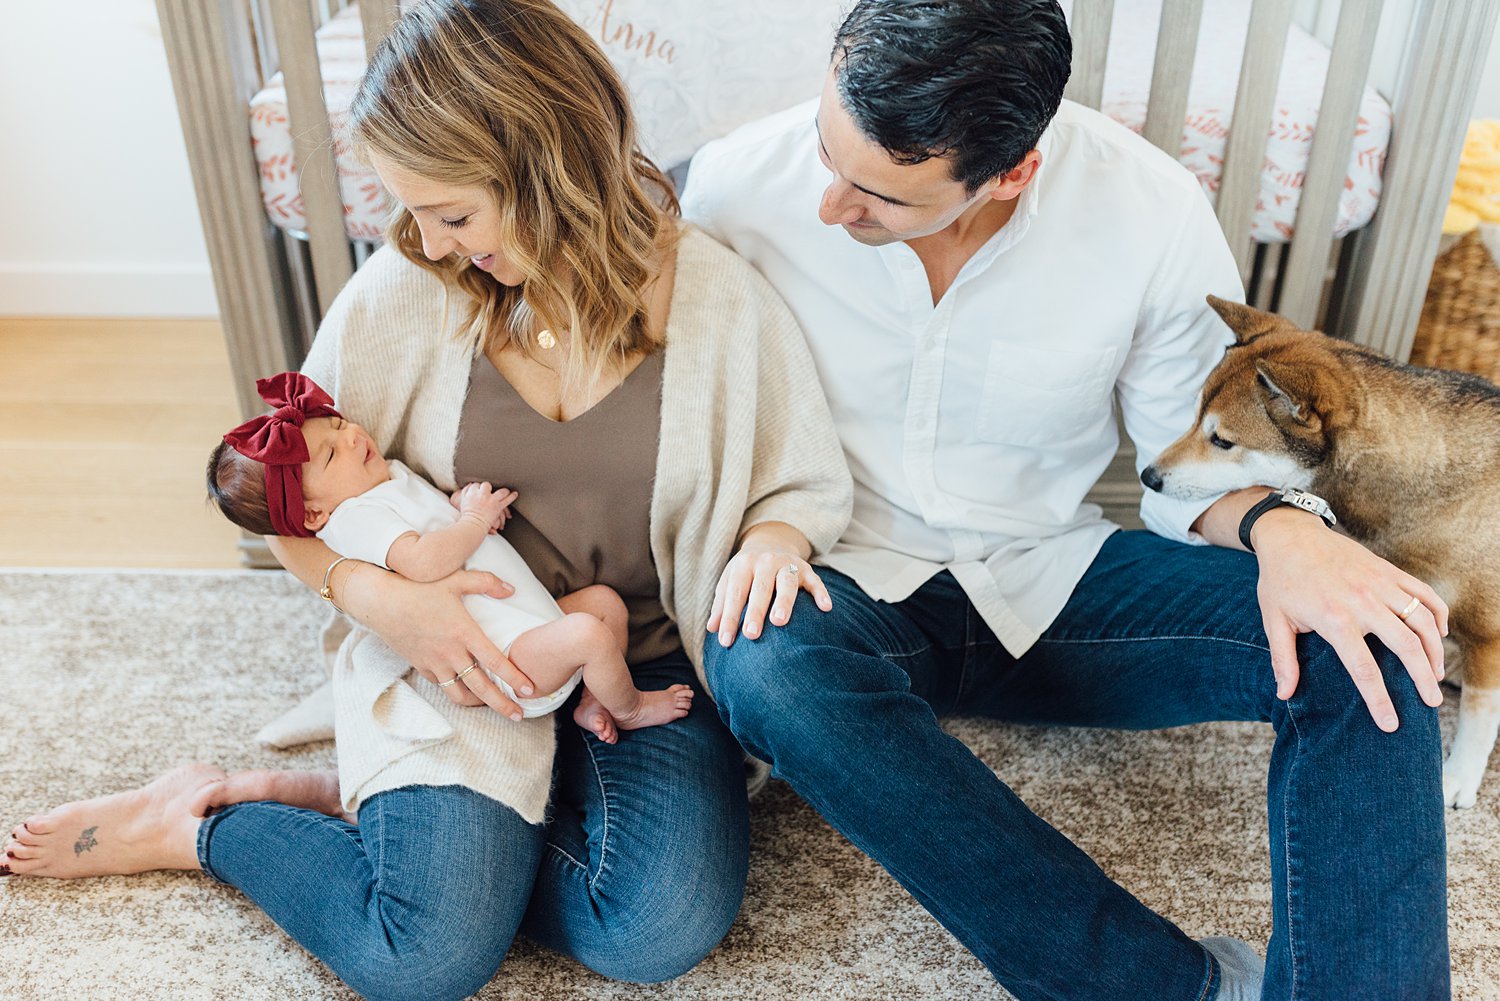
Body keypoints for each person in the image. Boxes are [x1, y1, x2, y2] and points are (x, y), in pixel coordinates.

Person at [1, 2, 851, 999]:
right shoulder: (405, 291)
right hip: (453, 666)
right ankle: (204, 823)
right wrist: (381, 599)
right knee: (430, 958)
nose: (430, 244)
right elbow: (294, 512)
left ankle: (378, 817)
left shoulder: (715, 298)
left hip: (636, 655)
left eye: (453, 213)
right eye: (412, 212)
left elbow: (794, 482)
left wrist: (776, 536)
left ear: (551, 171)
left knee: (652, 928)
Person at [683, 1, 1450, 999]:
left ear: (1011, 172)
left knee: (1375, 639)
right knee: (762, 662)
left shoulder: (1147, 210)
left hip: (1052, 577)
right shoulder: (737, 188)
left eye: (881, 197)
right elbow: (676, 418)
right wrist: (755, 533)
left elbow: (1190, 459)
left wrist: (1285, 530)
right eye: (828, 154)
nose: (832, 205)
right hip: (839, 576)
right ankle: (1165, 987)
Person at [207, 371, 695, 745]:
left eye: (339, 424)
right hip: (507, 657)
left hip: (531, 620)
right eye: (332, 454)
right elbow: (421, 561)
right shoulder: (356, 516)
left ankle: (593, 701)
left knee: (604, 605)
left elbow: (428, 525)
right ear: (314, 514)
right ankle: (629, 708)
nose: (353, 436)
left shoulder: (384, 480)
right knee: (589, 634)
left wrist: (459, 506)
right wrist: (474, 523)